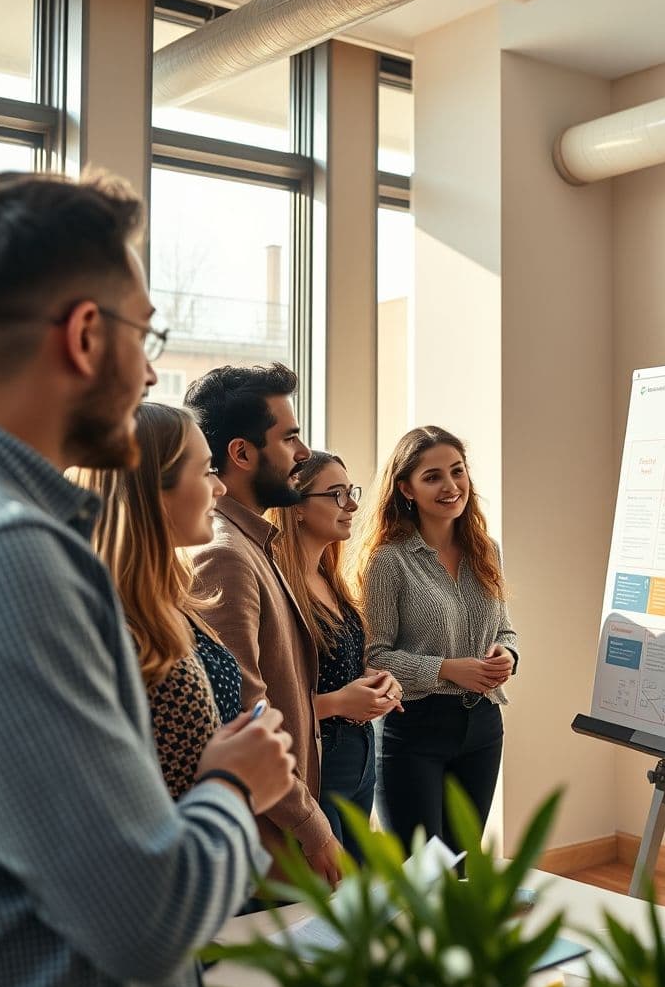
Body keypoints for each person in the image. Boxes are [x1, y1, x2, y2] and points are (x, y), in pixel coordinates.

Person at [0, 171, 295, 987]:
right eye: (145, 338)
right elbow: (147, 915)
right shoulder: (15, 555)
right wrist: (236, 782)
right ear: (86, 336)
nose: (152, 376)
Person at [186, 365, 342, 887]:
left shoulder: (255, 544)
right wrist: (310, 824)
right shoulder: (227, 556)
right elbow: (245, 713)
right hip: (268, 849)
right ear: (242, 453)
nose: (302, 453)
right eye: (290, 436)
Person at [358, 425, 519, 851]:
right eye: (432, 477)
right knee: (422, 874)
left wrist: (508, 655)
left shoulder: (487, 550)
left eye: (457, 471)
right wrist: (448, 670)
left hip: (484, 726)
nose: (451, 486)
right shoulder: (387, 562)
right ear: (406, 489)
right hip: (413, 730)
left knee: (461, 867)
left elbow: (504, 627)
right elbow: (374, 659)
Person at [78, 402, 245, 798]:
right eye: (206, 472)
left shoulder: (167, 599)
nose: (220, 488)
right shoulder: (114, 626)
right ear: (154, 491)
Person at [270, 451, 403, 861]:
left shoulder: (332, 578)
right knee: (330, 898)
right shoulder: (276, 585)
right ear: (296, 509)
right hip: (316, 766)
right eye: (337, 494)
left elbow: (349, 663)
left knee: (360, 894)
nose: (353, 505)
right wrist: (340, 703)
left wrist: (381, 682)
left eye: (351, 492)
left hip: (361, 756)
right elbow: (261, 704)